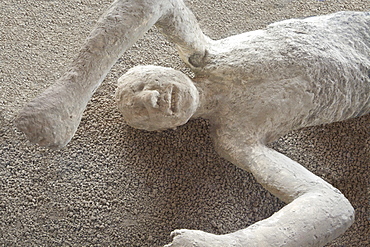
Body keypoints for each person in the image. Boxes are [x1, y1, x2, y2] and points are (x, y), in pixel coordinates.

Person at [16, 0, 369, 246]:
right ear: (167, 130)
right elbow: (331, 206)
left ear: (167, 67)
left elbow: (152, 2)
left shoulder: (207, 54)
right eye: (142, 112)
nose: (151, 99)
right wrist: (235, 243)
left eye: (144, 85)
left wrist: (73, 94)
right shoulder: (238, 140)